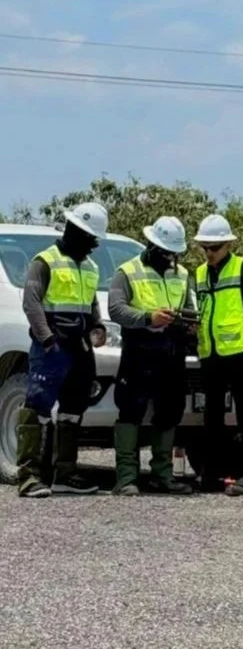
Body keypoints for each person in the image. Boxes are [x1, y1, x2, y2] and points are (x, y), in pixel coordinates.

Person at [17, 202, 109, 498]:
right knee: (37, 409)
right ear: (74, 231)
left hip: (80, 349)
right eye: (90, 238)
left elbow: (91, 304)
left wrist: (98, 327)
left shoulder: (90, 267)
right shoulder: (44, 261)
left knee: (73, 411)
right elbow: (31, 303)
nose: (93, 245)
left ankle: (65, 474)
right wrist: (47, 340)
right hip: (51, 348)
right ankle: (30, 477)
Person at [107, 216, 195, 496]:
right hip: (139, 351)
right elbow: (116, 310)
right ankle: (126, 478)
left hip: (172, 351)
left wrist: (190, 322)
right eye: (165, 251)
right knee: (130, 410)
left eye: (174, 253)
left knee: (169, 412)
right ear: (151, 245)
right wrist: (148, 317)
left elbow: (190, 306)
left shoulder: (182, 275)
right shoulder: (128, 271)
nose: (170, 257)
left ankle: (163, 476)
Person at [192, 214, 243, 497]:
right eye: (204, 247)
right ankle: (212, 475)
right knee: (212, 417)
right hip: (210, 353)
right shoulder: (200, 273)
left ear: (228, 245)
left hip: (239, 353)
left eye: (214, 248)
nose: (209, 253)